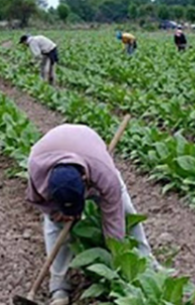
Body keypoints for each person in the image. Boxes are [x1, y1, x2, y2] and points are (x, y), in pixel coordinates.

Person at [26, 124, 156, 305]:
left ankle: (149, 265)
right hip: (52, 152)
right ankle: (58, 285)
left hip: (89, 149)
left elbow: (113, 218)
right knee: (54, 226)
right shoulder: (36, 169)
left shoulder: (103, 172)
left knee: (126, 211)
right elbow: (36, 200)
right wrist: (55, 213)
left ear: (85, 182)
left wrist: (117, 258)